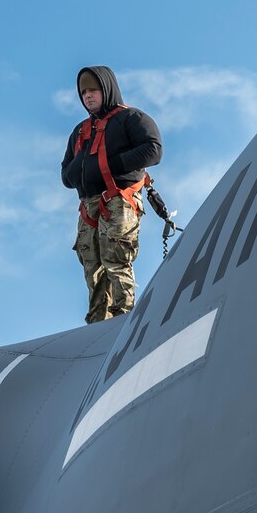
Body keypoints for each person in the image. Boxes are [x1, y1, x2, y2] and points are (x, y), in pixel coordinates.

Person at [61, 66, 163, 322]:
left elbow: (153, 150)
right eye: (83, 92)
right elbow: (65, 175)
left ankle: (123, 318)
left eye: (93, 90)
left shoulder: (131, 118)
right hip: (88, 207)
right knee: (91, 267)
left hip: (119, 199)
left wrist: (111, 165)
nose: (87, 96)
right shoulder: (80, 132)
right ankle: (97, 324)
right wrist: (84, 166)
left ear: (106, 89)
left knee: (116, 260)